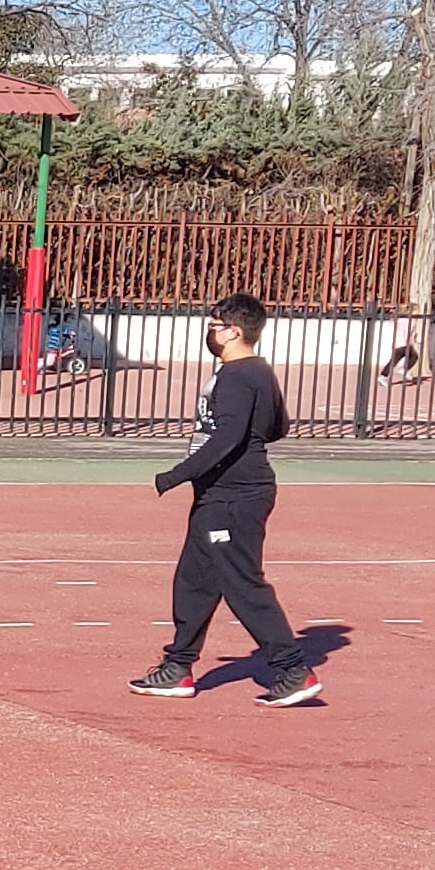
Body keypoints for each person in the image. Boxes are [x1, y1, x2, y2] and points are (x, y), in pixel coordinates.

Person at [129, 293, 319, 707]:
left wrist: (177, 475)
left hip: (235, 498)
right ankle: (177, 667)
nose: (209, 332)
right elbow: (277, 426)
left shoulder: (238, 376)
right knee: (194, 581)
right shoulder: (255, 373)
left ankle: (293, 669)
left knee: (242, 582)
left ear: (234, 331)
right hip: (219, 495)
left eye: (214, 326)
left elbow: (229, 436)